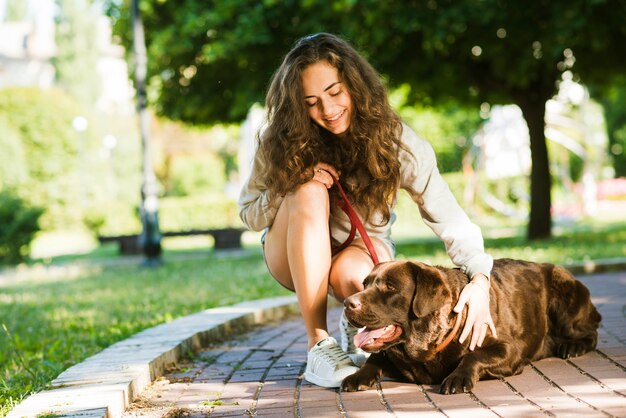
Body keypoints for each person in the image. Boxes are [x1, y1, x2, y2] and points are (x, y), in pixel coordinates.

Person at [238, 33, 496, 388]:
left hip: (360, 251)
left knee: (354, 278)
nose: (327, 110)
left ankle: (357, 318)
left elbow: (448, 216)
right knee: (309, 190)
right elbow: (249, 213)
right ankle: (319, 346)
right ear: (296, 106)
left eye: (334, 92)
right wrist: (292, 183)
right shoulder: (279, 143)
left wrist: (480, 279)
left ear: (355, 85)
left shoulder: (397, 143)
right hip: (287, 253)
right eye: (311, 102)